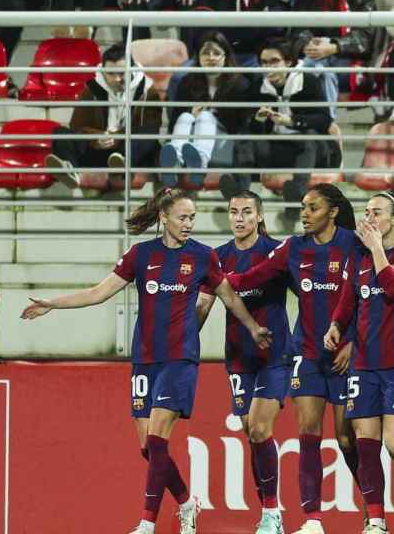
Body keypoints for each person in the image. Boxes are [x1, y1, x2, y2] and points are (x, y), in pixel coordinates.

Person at [21, 187, 273, 534]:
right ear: (163, 217)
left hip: (180, 359)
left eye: (193, 218)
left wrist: (254, 327)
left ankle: (146, 523)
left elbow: (229, 298)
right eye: (183, 217)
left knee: (157, 440)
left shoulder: (203, 256)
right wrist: (53, 303)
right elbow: (98, 292)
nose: (189, 224)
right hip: (144, 359)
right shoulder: (141, 255)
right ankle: (186, 502)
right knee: (147, 448)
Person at [223, 183, 361, 534]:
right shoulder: (293, 247)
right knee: (307, 434)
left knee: (347, 440)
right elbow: (253, 277)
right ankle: (312, 520)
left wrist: (353, 343)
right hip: (307, 352)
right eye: (302, 206)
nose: (304, 213)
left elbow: (369, 295)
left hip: (346, 354)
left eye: (312, 207)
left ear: (331, 212)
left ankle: (374, 514)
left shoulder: (352, 244)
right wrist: (213, 278)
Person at [323, 192, 394, 534]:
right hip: (364, 362)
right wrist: (335, 326)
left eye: (377, 212)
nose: (368, 217)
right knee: (366, 440)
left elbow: (392, 287)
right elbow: (348, 298)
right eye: (366, 211)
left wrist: (376, 248)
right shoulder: (357, 254)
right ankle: (376, 521)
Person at [196, 190, 292, 534]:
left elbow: (309, 295)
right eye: (234, 212)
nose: (239, 218)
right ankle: (269, 514)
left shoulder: (277, 252)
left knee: (260, 427)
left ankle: (271, 514)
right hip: (237, 358)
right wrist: (183, 341)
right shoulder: (217, 258)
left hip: (275, 355)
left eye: (247, 212)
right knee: (253, 434)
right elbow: (204, 304)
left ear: (260, 216)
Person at [220, 38, 334, 228]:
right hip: (275, 150)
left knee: (308, 138)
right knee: (245, 140)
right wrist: (258, 120)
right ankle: (241, 197)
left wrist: (292, 121)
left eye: (274, 61)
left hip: (308, 152)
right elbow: (245, 127)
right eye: (264, 62)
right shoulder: (257, 87)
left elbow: (324, 120)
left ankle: (297, 196)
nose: (268, 67)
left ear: (288, 62)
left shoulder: (308, 82)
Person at [45, 44, 162, 188]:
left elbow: (150, 128)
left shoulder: (148, 92)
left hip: (128, 150)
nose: (116, 79)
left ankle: (125, 164)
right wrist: (97, 137)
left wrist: (116, 137)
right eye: (111, 73)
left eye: (121, 73)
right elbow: (77, 126)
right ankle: (71, 172)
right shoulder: (91, 90)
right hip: (98, 149)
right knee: (60, 133)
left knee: (146, 134)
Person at [161, 31, 249, 189]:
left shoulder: (239, 84)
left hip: (224, 141)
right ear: (198, 57)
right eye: (205, 53)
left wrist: (212, 111)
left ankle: (196, 164)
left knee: (206, 116)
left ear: (226, 57)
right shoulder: (187, 82)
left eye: (217, 53)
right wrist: (191, 113)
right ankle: (174, 162)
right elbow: (174, 120)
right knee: (185, 117)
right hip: (190, 139)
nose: (211, 58)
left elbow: (240, 125)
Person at [293, 0, 375, 120]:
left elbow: (365, 38)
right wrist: (308, 43)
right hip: (315, 56)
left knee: (313, 72)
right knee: (320, 71)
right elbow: (297, 30)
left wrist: (333, 47)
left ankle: (317, 124)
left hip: (349, 61)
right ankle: (327, 124)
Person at [194, 0, 295, 66]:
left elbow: (277, 28)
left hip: (259, 55)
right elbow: (201, 29)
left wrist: (229, 31)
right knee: (179, 76)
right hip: (218, 54)